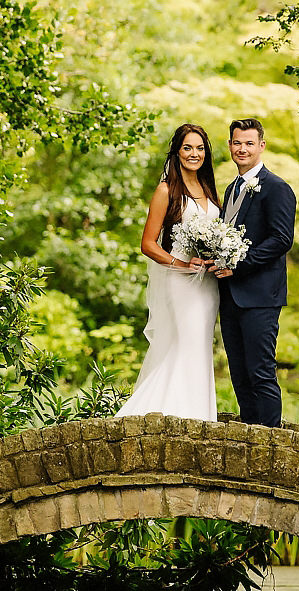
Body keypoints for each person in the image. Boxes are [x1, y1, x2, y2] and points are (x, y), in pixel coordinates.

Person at [116, 123, 221, 420]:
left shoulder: (210, 189)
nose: (194, 154)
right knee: (188, 342)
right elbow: (148, 244)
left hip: (208, 284)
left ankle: (198, 416)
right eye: (187, 148)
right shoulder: (165, 190)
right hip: (180, 281)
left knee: (199, 345)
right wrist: (182, 264)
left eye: (200, 148)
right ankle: (176, 416)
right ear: (176, 152)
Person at [210, 117, 296, 428]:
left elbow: (281, 240)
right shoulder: (232, 188)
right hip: (230, 297)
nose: (242, 148)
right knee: (240, 372)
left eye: (249, 143)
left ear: (261, 146)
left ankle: (271, 440)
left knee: (260, 371)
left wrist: (237, 265)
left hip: (260, 296)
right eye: (237, 143)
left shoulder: (276, 188)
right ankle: (249, 435)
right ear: (230, 146)